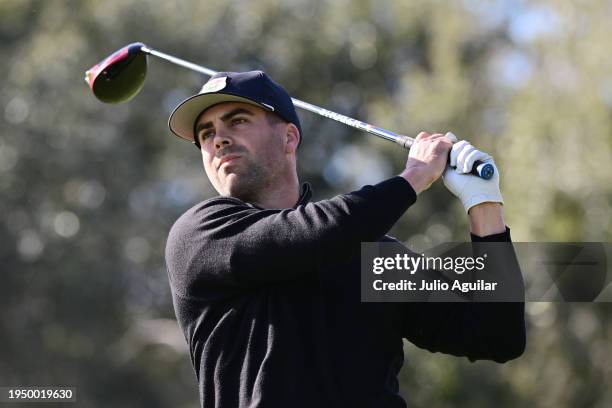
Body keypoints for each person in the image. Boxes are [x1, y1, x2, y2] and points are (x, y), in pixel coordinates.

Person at [164, 70, 525, 408]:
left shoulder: (372, 257)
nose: (219, 139)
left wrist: (484, 204)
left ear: (289, 137)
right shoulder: (201, 234)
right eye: (206, 134)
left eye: (237, 120)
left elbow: (497, 335)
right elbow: (312, 234)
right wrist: (414, 176)